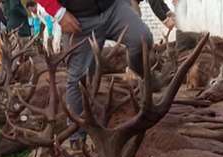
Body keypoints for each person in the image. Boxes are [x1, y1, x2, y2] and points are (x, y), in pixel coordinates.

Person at [35, 0, 175, 147]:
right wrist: (59, 13)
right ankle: (77, 136)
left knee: (141, 39)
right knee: (79, 79)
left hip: (113, 7)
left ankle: (146, 78)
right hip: (80, 19)